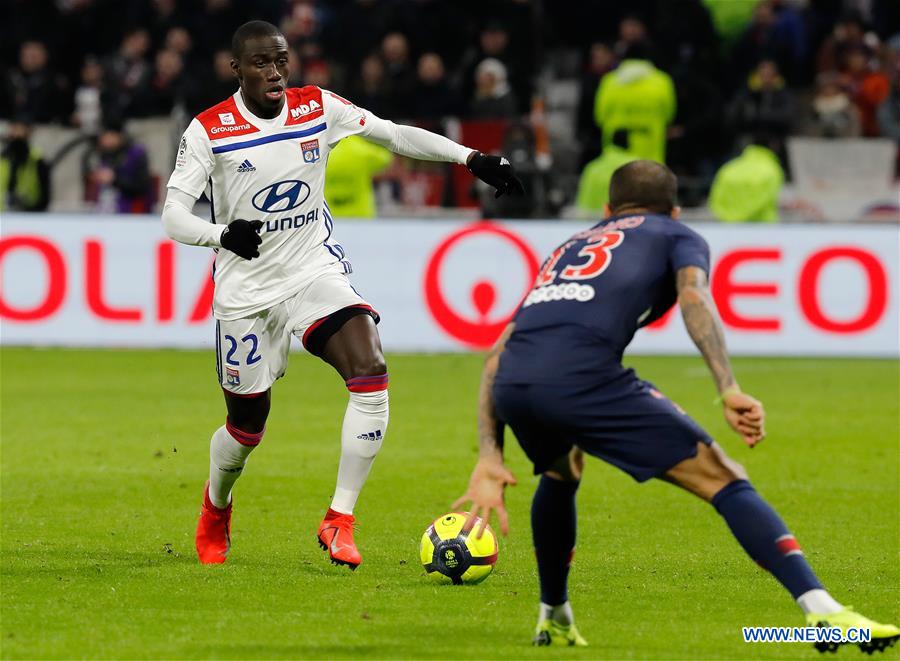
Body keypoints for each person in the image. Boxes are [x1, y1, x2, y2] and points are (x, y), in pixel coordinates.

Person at [453, 160, 899, 650]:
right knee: (724, 478)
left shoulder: (570, 246)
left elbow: (498, 352)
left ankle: (553, 615)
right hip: (582, 377)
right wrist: (728, 388)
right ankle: (824, 611)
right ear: (675, 209)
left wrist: (490, 455)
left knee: (562, 471)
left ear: (608, 209)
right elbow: (694, 297)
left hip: (514, 381)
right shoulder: (676, 234)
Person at [161, 21, 523, 570]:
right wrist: (221, 235)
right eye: (261, 63)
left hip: (312, 271)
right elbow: (173, 216)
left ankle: (339, 518)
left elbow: (393, 135)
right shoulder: (209, 130)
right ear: (236, 69)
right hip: (247, 292)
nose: (275, 72)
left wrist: (471, 158)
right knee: (245, 430)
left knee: (370, 370)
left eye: (281, 60)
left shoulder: (317, 107)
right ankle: (217, 503)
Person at [593, 43, 675, 164]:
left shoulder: (609, 81)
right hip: (650, 153)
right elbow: (669, 114)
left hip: (616, 152)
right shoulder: (662, 81)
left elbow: (599, 116)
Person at [708, 141, 784, 222]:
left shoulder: (729, 168)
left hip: (728, 225)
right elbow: (766, 200)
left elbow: (715, 200)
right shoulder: (772, 169)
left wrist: (731, 218)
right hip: (762, 225)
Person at [324, 135, 392, 218]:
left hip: (328, 214)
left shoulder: (323, 150)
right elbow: (386, 159)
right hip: (361, 214)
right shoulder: (363, 150)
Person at [575, 129, 637, 214]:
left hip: (594, 219)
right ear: (629, 143)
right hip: (626, 218)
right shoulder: (636, 166)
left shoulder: (593, 168)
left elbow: (583, 204)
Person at [0, 120, 51, 212]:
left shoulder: (38, 161)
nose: (16, 134)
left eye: (20, 130)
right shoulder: (2, 159)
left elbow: (45, 198)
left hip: (28, 215)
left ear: (28, 133)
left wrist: (27, 207)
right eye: (14, 129)